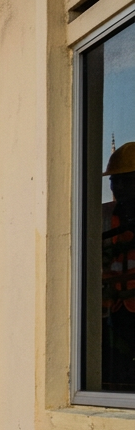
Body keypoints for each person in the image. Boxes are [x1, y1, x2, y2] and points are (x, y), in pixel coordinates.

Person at [101, 142, 135, 390]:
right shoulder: (111, 217)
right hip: (118, 309)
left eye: (125, 180)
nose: (117, 187)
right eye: (114, 181)